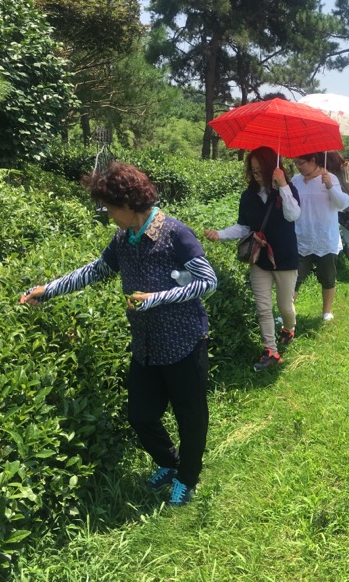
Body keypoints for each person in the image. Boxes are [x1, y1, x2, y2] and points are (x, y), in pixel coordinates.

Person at [20, 162, 218, 506]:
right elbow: (96, 271)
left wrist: (155, 299)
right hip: (146, 346)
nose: (108, 214)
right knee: (141, 415)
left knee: (190, 417)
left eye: (110, 207)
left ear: (127, 205)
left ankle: (187, 477)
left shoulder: (175, 233)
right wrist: (48, 289)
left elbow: (208, 281)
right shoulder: (123, 239)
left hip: (185, 342)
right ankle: (170, 464)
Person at [204, 146, 301, 372]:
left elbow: (293, 215)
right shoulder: (248, 195)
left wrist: (283, 185)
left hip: (285, 257)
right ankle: (271, 350)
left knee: (285, 305)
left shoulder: (288, 190)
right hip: (260, 259)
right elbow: (243, 227)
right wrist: (220, 234)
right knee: (263, 307)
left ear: (270, 168)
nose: (255, 174)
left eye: (259, 170)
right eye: (252, 169)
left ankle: (289, 327)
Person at [291, 152, 349, 321]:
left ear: (313, 161)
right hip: (301, 237)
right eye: (295, 163)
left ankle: (326, 311)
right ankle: (288, 311)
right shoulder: (295, 180)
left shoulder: (329, 177)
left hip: (325, 238)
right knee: (294, 278)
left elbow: (343, 204)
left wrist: (330, 186)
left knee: (327, 277)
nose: (298, 167)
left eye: (301, 163)